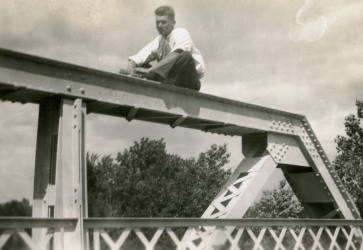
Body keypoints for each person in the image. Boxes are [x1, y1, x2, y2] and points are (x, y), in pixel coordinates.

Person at [121, 5, 205, 91]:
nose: (160, 25)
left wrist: (150, 70)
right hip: (169, 78)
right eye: (157, 22)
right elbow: (137, 58)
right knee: (141, 64)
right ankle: (145, 80)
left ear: (173, 23)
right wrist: (131, 70)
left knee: (185, 56)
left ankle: (159, 83)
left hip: (188, 80)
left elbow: (176, 54)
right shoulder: (158, 41)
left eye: (163, 22)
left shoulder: (181, 33)